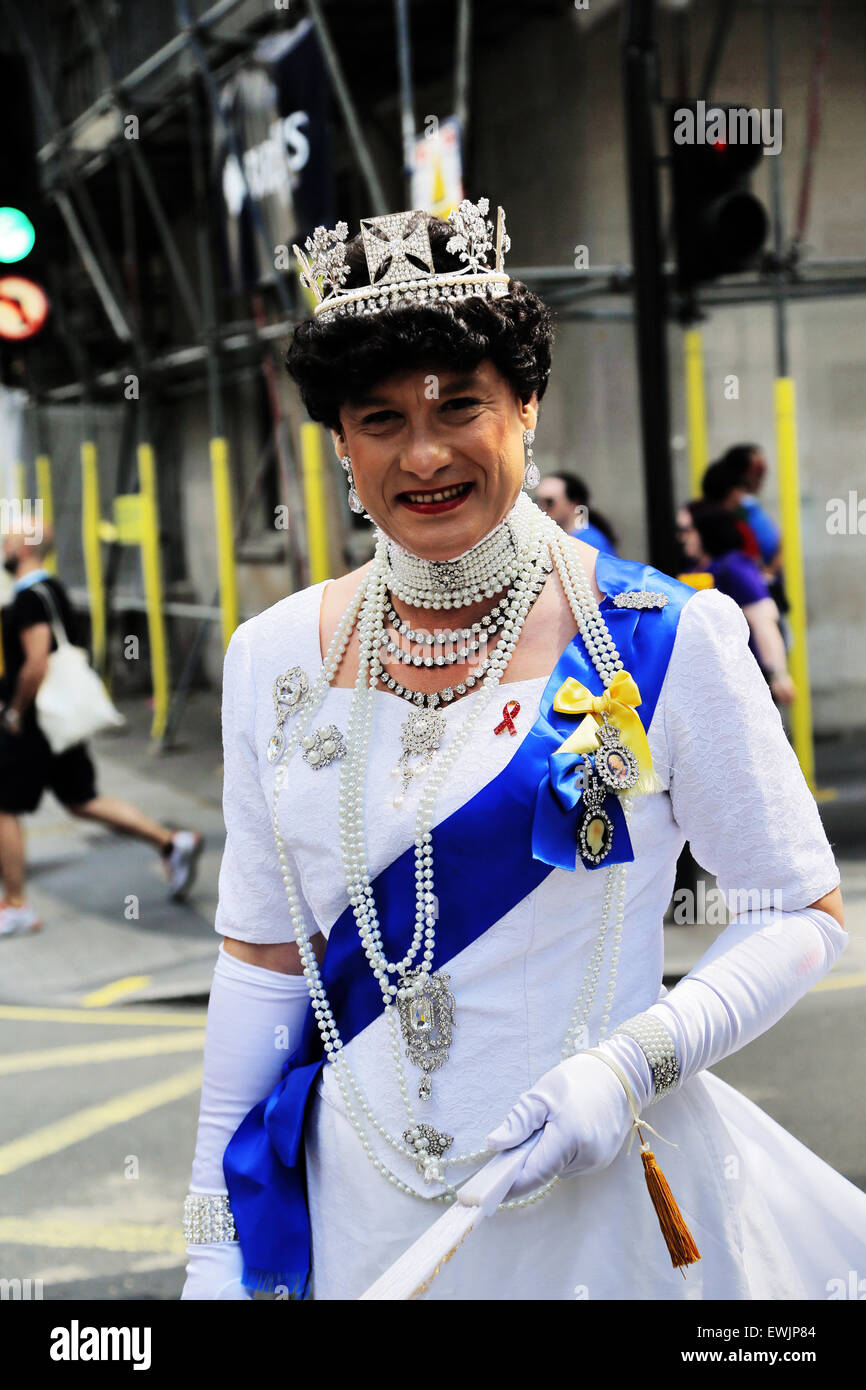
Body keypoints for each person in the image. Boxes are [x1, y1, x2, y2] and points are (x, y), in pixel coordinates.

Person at [182, 201, 863, 1302]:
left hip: (601, 1203)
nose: (424, 452)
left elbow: (797, 910)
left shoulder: (656, 636)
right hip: (360, 1208)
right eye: (378, 418)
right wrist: (213, 1243)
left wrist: (633, 1060)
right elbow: (260, 965)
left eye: (461, 405)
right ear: (341, 442)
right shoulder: (269, 658)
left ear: (527, 404)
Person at [0, 531, 204, 936]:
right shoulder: (53, 589)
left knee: (4, 807)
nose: (3, 548)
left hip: (35, 721)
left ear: (24, 546)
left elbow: (36, 661)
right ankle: (170, 841)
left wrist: (14, 713)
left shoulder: (27, 599)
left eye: (7, 541)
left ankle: (16, 905)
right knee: (81, 799)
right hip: (59, 719)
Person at [676, 500, 795, 705]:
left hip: (740, 682)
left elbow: (763, 619)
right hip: (708, 682)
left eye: (688, 530)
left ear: (706, 530)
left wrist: (778, 674)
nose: (682, 537)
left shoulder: (734, 566)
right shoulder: (696, 567)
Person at [534, 470, 619, 554]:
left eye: (549, 501)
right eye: (537, 501)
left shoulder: (591, 542)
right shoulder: (554, 537)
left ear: (574, 503)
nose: (542, 507)